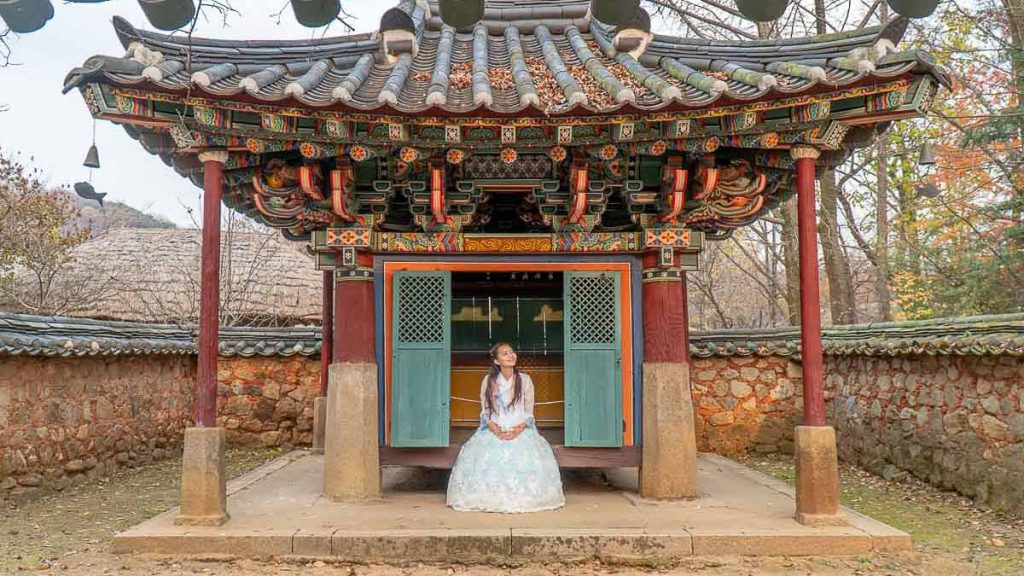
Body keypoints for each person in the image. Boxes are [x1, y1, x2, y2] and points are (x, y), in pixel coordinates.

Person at [447, 342, 565, 513]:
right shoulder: (488, 381)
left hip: (520, 428)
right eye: (504, 354)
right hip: (495, 428)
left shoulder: (525, 380)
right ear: (496, 361)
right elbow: (485, 412)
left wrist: (517, 430)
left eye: (511, 352)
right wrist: (496, 430)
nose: (511, 355)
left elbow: (529, 412)